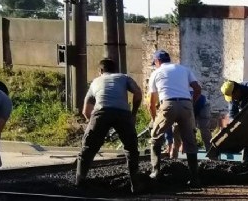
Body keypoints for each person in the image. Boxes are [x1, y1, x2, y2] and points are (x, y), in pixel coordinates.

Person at [76, 58, 143, 192]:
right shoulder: (124, 77)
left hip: (101, 111)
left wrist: (95, 125)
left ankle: (80, 181)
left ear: (100, 71)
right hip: (123, 113)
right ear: (115, 70)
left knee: (88, 148)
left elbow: (85, 111)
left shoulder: (95, 81)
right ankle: (134, 184)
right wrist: (133, 114)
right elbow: (138, 92)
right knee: (131, 148)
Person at [148, 49, 202, 185]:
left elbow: (151, 104)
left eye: (154, 63)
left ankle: (155, 172)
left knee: (155, 138)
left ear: (157, 61)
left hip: (168, 104)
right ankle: (194, 177)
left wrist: (155, 120)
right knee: (190, 141)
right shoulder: (184, 69)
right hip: (186, 105)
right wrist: (190, 102)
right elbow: (197, 89)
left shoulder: (156, 73)